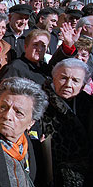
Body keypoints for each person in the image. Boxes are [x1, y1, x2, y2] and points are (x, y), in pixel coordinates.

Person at [40, 58, 93, 186]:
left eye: (75, 80)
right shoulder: (39, 102)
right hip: (51, 172)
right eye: (63, 78)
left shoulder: (89, 104)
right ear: (54, 78)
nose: (68, 84)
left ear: (83, 85)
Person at [0, 25, 80, 86]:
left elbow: (56, 64)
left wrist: (68, 45)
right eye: (35, 45)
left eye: (43, 46)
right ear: (26, 46)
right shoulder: (15, 67)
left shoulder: (43, 67)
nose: (39, 49)